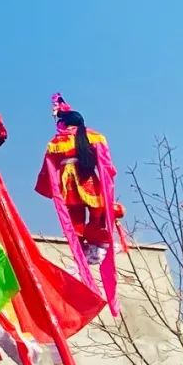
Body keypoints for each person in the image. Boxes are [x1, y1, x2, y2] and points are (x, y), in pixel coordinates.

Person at [35, 93, 119, 266]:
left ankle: (80, 249)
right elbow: (105, 161)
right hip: (89, 180)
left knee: (75, 219)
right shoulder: (94, 136)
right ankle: (96, 241)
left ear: (64, 123)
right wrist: (109, 175)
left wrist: (47, 185)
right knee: (98, 212)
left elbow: (48, 166)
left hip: (69, 183)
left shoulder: (58, 141)